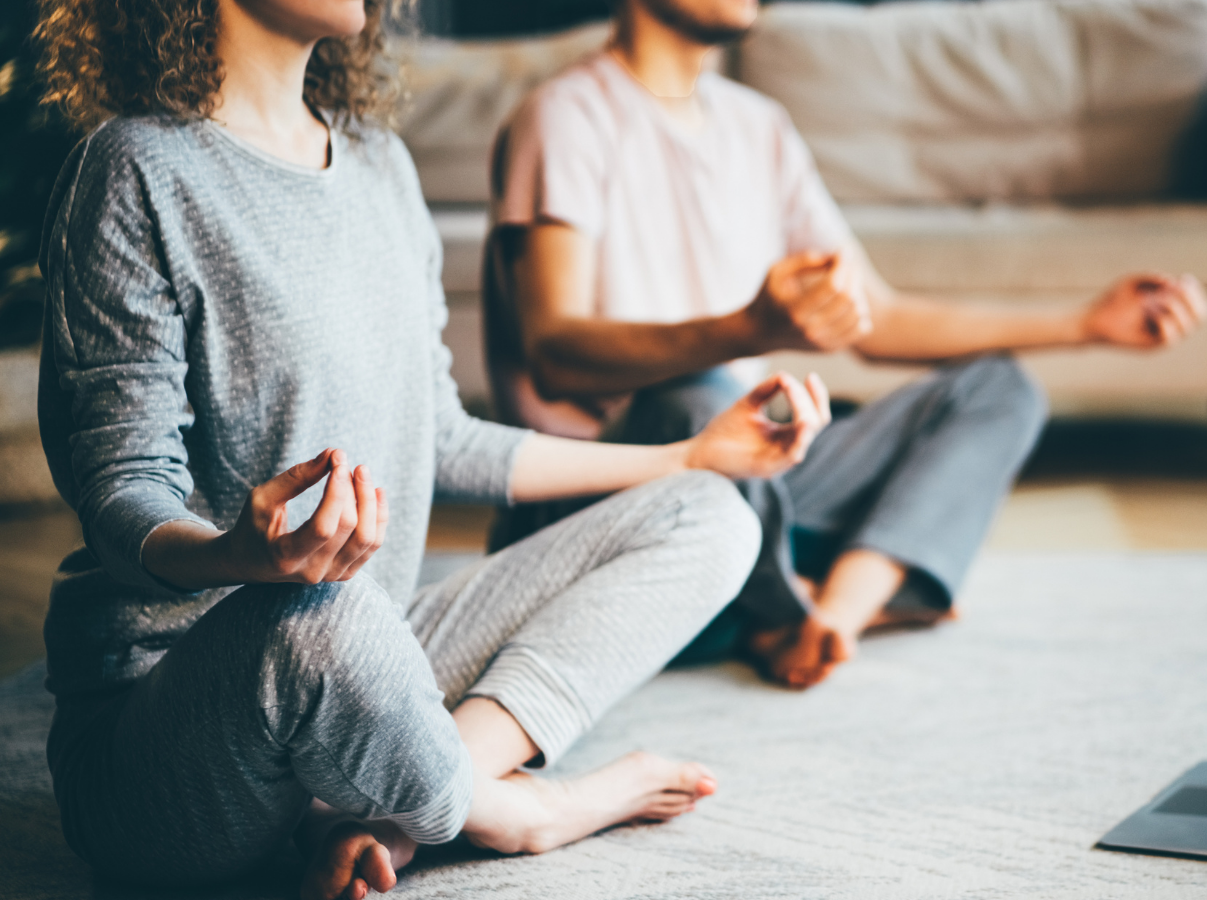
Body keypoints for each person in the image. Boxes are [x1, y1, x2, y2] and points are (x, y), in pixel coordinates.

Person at [31, 1, 834, 898]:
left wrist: (693, 456)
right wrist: (236, 557)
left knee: (712, 517)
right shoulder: (133, 167)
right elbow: (121, 489)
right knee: (327, 615)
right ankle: (508, 810)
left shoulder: (380, 164)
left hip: (369, 647)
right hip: (176, 718)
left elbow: (443, 437)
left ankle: (390, 801)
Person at [483, 0, 1207, 690]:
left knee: (998, 390)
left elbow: (879, 317)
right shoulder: (565, 117)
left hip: (745, 473)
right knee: (700, 398)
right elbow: (555, 347)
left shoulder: (758, 128)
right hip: (606, 492)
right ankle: (778, 606)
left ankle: (830, 614)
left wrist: (1085, 324)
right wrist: (746, 331)